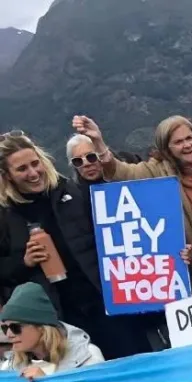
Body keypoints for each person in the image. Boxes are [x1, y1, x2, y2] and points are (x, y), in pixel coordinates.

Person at [0, 132, 155, 359]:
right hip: (55, 321)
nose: (33, 173)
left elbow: (120, 231)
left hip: (104, 304)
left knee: (136, 365)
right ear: (7, 175)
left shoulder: (70, 191)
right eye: (22, 169)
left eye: (35, 164)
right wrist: (23, 262)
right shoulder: (5, 215)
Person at [71, 114, 192, 287]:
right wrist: (98, 142)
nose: (187, 145)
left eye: (189, 138)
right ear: (166, 148)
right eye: (178, 142)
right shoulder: (159, 170)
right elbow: (122, 173)